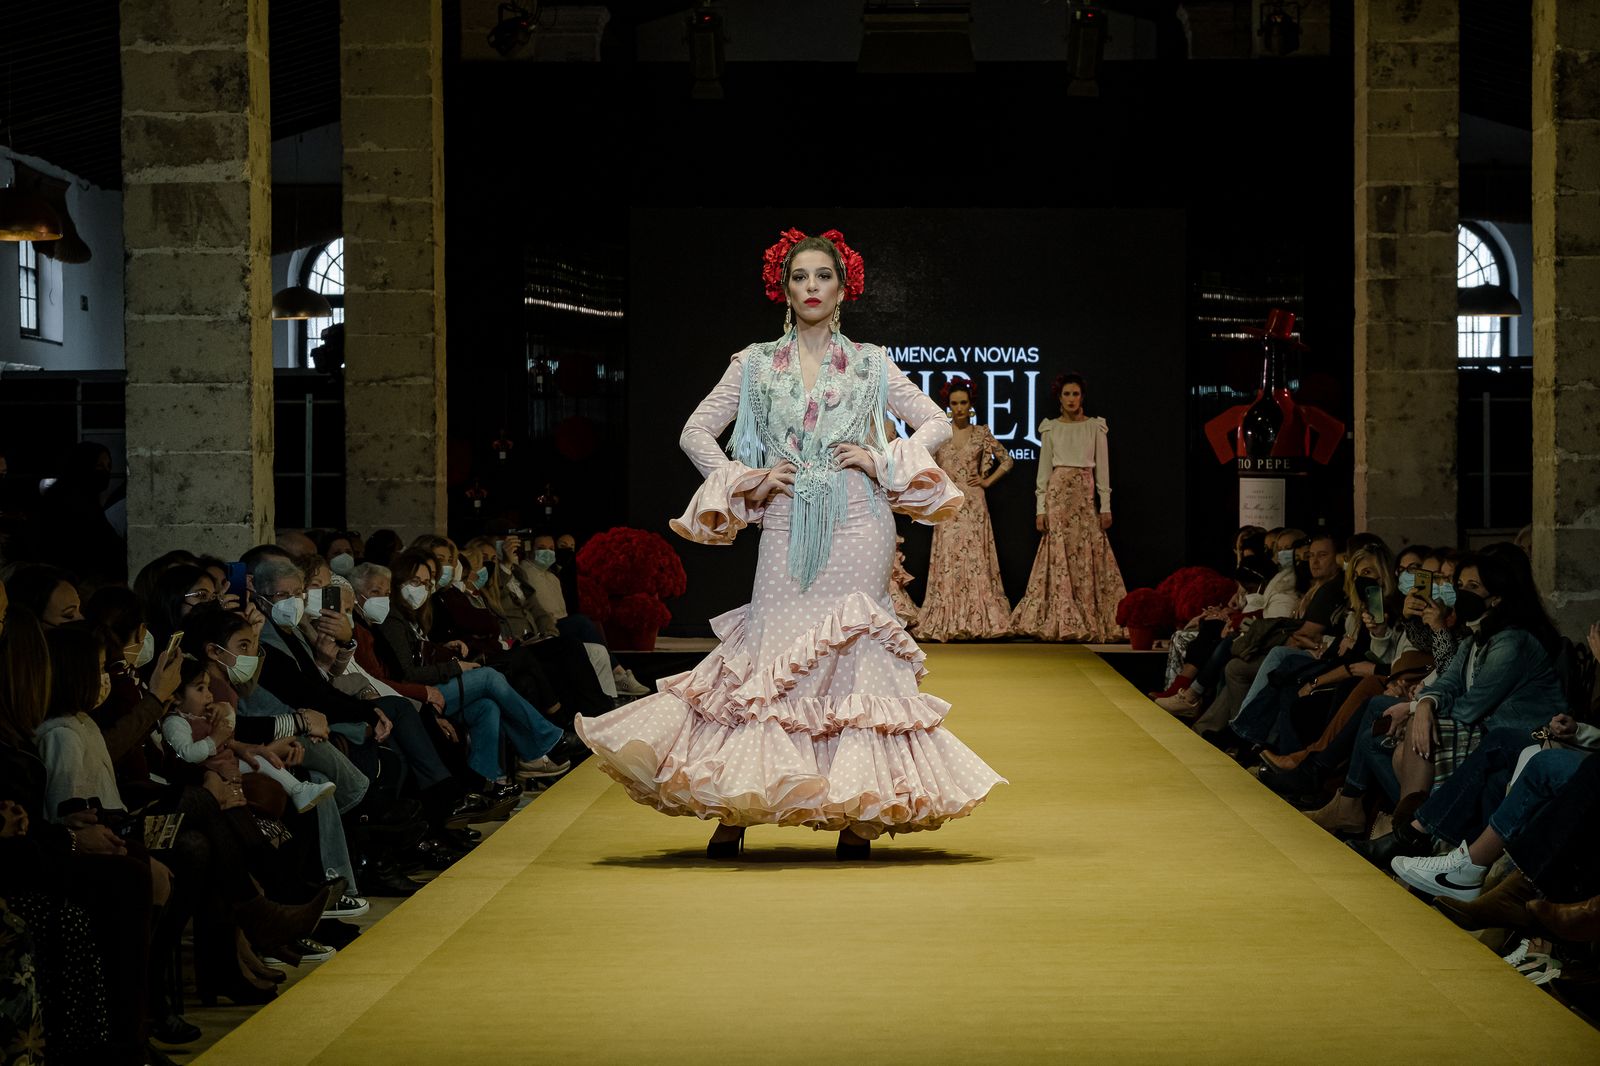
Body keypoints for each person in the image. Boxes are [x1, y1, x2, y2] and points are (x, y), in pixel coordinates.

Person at [574, 228, 1006, 859]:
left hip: (860, 522)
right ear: (785, 287)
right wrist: (749, 478)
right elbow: (696, 431)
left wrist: (882, 458)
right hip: (784, 521)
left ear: (843, 288)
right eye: (800, 277)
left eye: (822, 277)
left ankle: (856, 815)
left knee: (858, 652)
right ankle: (737, 806)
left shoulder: (870, 361)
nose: (812, 287)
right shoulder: (752, 363)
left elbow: (936, 420)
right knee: (770, 651)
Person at [1009, 373, 1126, 642]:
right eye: (1067, 394)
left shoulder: (1095, 427)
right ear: (1059, 398)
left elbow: (1103, 471)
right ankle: (1061, 616)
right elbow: (1044, 472)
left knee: (1087, 553)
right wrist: (1041, 508)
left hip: (1084, 498)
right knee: (1059, 554)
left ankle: (1087, 616)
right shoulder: (1051, 428)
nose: (1072, 399)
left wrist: (1105, 505)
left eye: (1075, 394)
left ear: (1082, 397)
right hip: (1058, 497)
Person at [915, 377, 1014, 641]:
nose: (959, 408)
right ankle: (948, 616)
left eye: (963, 403)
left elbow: (1006, 460)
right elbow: (925, 464)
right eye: (954, 403)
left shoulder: (981, 432)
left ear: (971, 405)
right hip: (947, 503)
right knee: (949, 560)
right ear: (948, 405)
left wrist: (987, 481)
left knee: (975, 559)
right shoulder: (941, 432)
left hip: (973, 502)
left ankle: (978, 617)